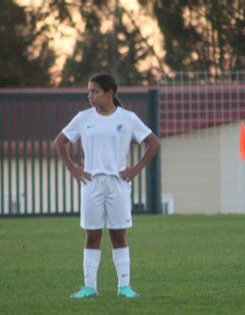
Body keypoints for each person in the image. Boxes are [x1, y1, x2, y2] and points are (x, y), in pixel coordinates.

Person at [54, 73, 160, 299]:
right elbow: (59, 142)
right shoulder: (83, 118)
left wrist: (135, 169)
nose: (89, 96)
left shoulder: (127, 118)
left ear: (110, 93)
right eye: (88, 91)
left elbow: (153, 142)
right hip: (91, 184)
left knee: (118, 235)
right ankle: (89, 287)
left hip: (117, 185)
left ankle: (124, 287)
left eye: (94, 91)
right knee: (92, 235)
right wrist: (73, 169)